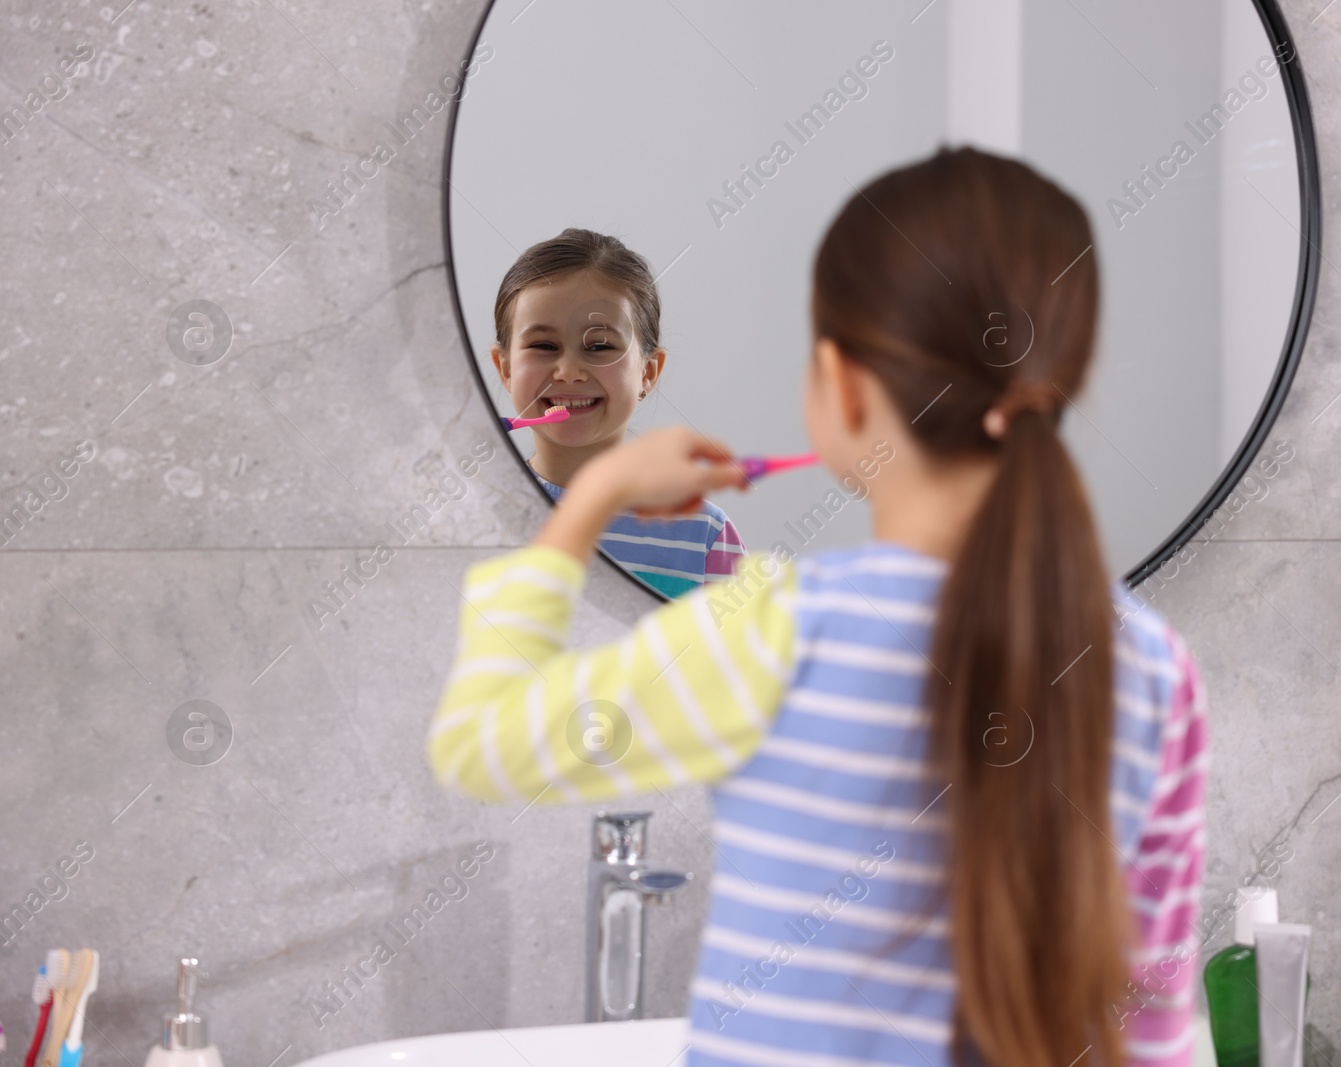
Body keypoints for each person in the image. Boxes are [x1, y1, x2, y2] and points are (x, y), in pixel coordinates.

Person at [432, 147, 1208, 1067]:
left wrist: (585, 514)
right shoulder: (1155, 666)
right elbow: (1150, 1019)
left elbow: (482, 744)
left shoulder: (776, 632)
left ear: (838, 386)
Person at [489, 228, 746, 598]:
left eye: (599, 346)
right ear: (505, 368)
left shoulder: (705, 536)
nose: (569, 372)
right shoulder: (471, 518)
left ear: (648, 372)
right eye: (544, 345)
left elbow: (734, 655)